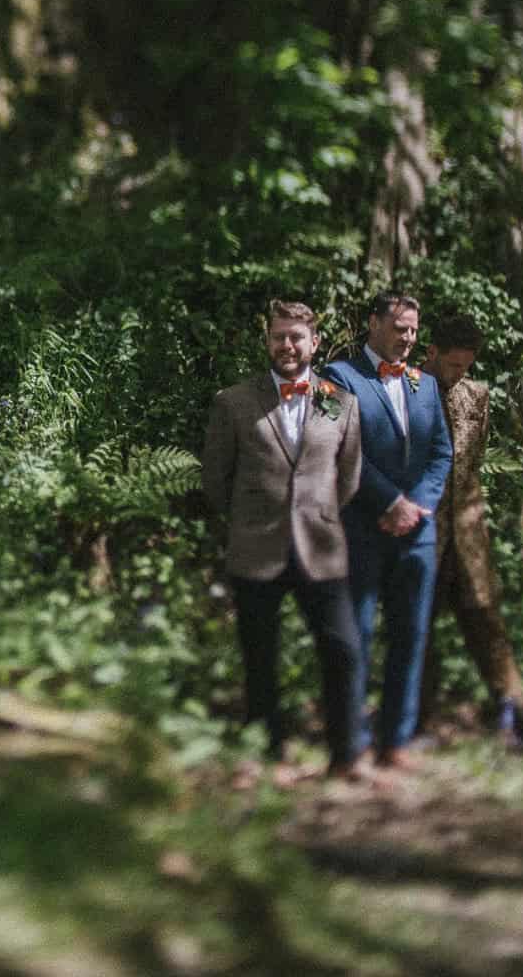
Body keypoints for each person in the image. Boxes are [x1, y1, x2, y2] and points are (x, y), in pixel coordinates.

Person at [201, 300, 368, 782]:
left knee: (343, 650)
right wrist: (252, 512)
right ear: (268, 341)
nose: (288, 346)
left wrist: (316, 511)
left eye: (297, 337)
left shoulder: (340, 401)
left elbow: (349, 475)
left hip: (321, 546)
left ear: (314, 343)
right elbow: (216, 480)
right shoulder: (233, 401)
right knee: (259, 656)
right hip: (257, 545)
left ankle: (345, 756)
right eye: (279, 337)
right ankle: (266, 755)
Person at [322, 290, 454, 773]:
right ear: (373, 323)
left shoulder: (426, 385)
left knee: (411, 635)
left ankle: (396, 741)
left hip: (416, 532)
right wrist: (388, 501)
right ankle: (350, 747)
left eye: (415, 330)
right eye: (400, 328)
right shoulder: (334, 378)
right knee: (354, 636)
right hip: (361, 527)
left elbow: (442, 453)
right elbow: (334, 448)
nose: (409, 338)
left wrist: (417, 505)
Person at [419, 315, 523, 747]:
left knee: (485, 617)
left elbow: (475, 460)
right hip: (424, 533)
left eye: (466, 366)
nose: (459, 374)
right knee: (419, 626)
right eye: (452, 365)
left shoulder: (477, 396)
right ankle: (415, 721)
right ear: (432, 353)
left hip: (467, 531)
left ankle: (513, 711)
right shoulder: (408, 391)